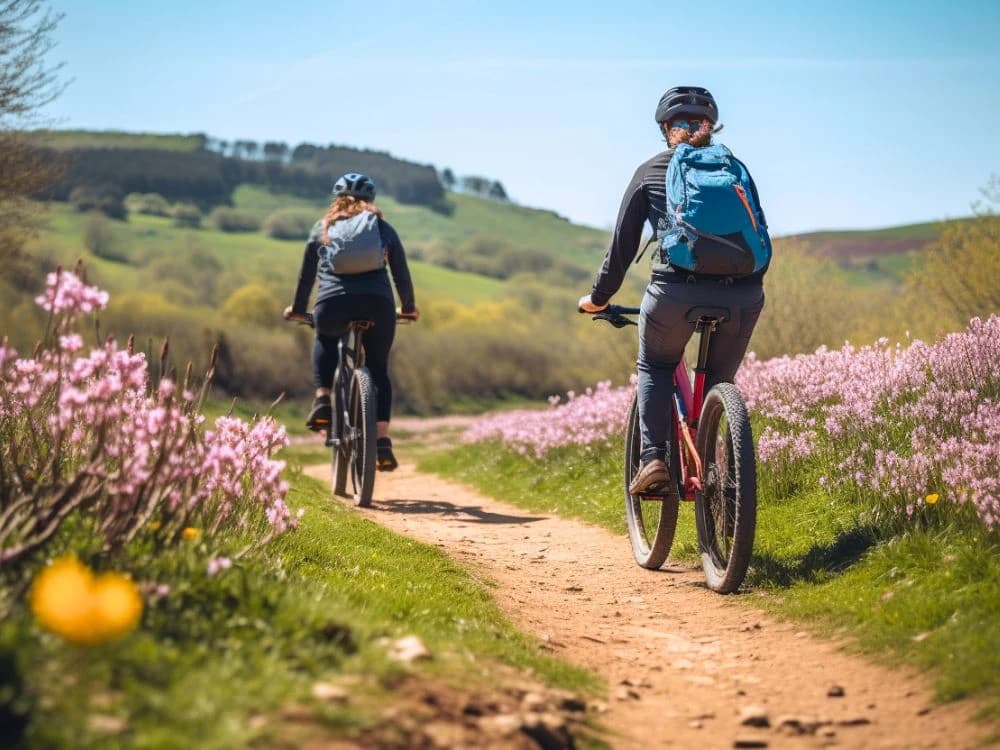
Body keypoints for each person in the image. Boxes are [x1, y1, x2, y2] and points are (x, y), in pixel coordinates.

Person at [578, 86, 768, 497]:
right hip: (744, 294)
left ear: (667, 129)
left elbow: (622, 248)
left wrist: (598, 298)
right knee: (720, 379)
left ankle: (653, 460)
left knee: (656, 366)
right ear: (710, 127)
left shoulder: (650, 170)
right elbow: (760, 237)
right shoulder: (735, 169)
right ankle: (724, 468)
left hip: (675, 292)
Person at [285, 172, 418, 471]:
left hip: (332, 303)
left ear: (337, 200)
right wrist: (408, 307)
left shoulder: (323, 227)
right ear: (371, 200)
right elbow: (401, 273)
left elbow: (306, 275)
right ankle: (381, 441)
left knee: (325, 337)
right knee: (378, 370)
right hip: (378, 305)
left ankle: (322, 401)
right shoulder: (382, 228)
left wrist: (297, 308)